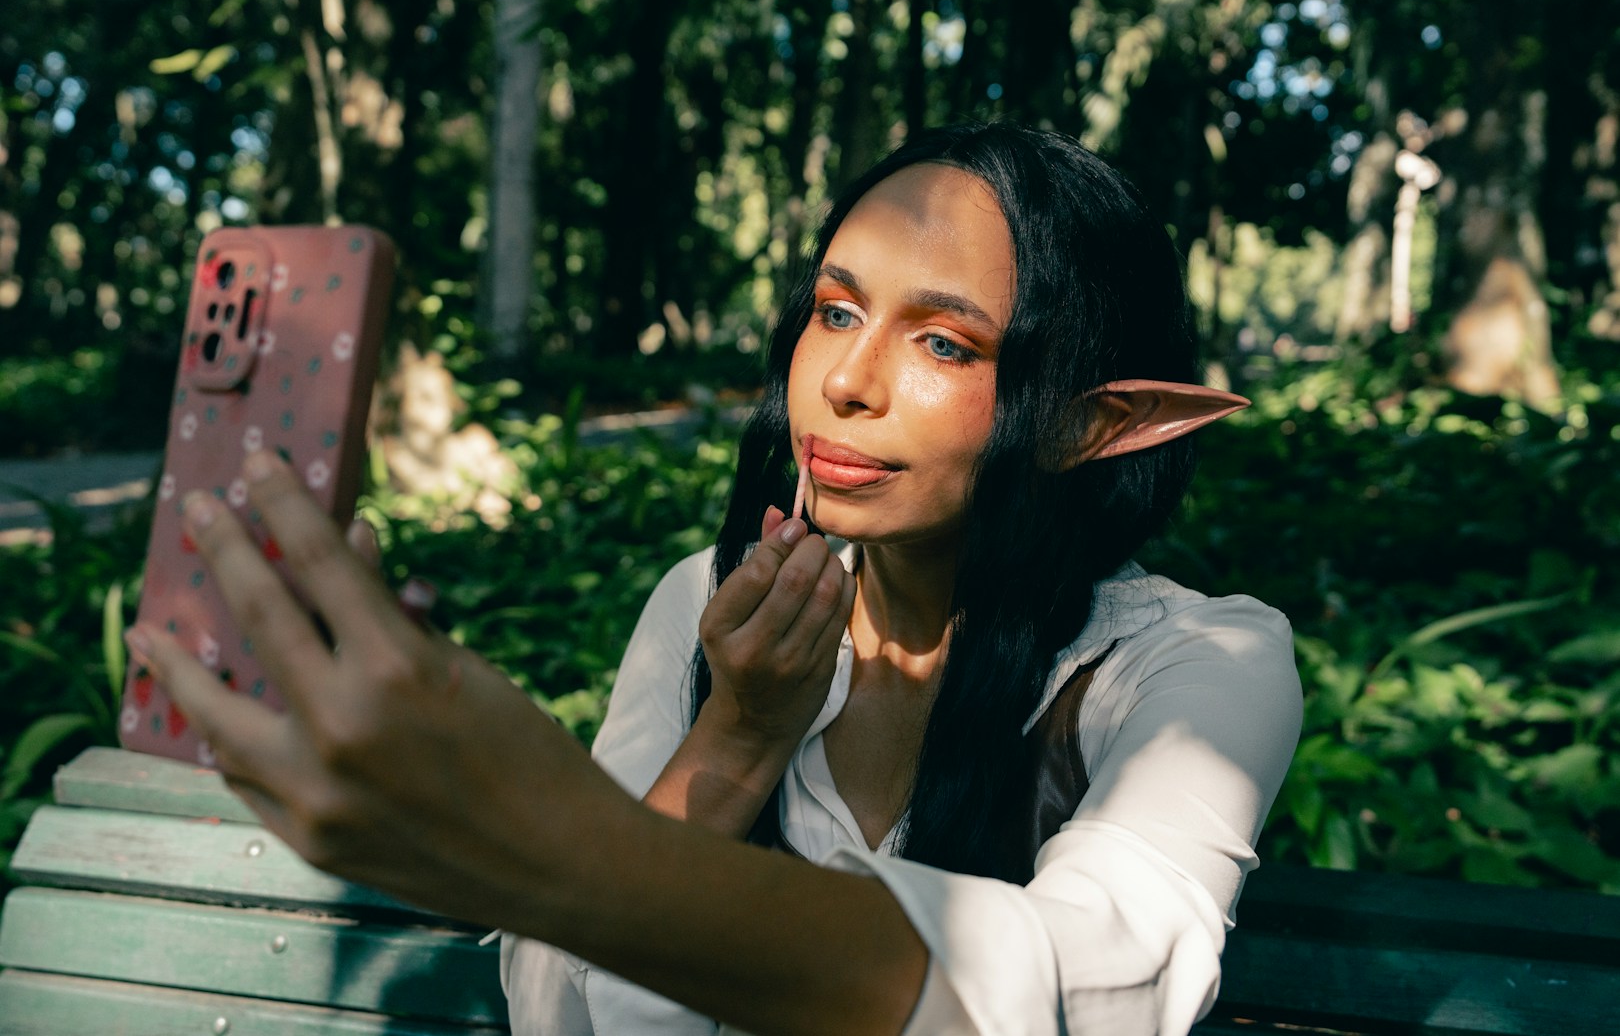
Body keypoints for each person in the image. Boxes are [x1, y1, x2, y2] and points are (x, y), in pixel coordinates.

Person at [129, 121, 1302, 1036]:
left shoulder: (1197, 665)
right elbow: (558, 1014)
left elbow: (1104, 978)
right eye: (835, 311)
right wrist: (736, 739)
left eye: (944, 342)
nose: (844, 381)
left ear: (1095, 423)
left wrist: (555, 845)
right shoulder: (709, 603)